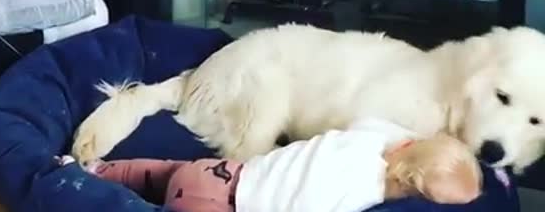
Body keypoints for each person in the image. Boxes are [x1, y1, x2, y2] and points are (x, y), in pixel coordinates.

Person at [62, 118, 482, 212]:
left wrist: (414, 141)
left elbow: (376, 121)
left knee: (163, 171)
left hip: (217, 171)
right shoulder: (363, 192)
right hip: (222, 205)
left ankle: (92, 171)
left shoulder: (368, 137)